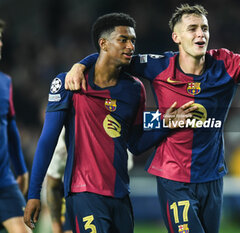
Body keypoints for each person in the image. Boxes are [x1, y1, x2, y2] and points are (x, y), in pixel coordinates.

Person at [64, 4, 240, 233]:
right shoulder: (158, 66)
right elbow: (110, 56)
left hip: (211, 176)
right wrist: (80, 65)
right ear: (176, 37)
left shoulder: (225, 64)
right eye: (192, 28)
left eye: (204, 28)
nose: (200, 33)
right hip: (173, 177)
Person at [24, 13, 195, 233]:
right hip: (84, 192)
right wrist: (33, 194)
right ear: (103, 43)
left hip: (120, 194)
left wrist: (166, 124)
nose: (131, 46)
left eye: (133, 40)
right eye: (123, 39)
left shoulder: (134, 89)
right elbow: (47, 140)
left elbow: (135, 143)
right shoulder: (69, 83)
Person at [0, 19, 31, 233]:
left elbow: (10, 127)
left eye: (0, 39)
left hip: (4, 182)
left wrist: (21, 169)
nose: (0, 44)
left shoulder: (5, 83)